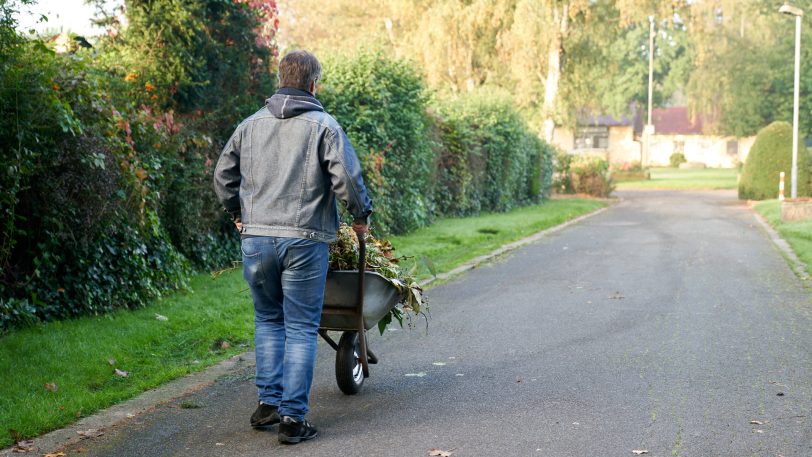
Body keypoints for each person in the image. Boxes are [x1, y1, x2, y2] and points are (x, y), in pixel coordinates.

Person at [213, 50, 373, 445]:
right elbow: (347, 182)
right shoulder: (324, 126)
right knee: (301, 327)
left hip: (256, 239)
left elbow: (222, 177)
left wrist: (237, 211)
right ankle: (292, 419)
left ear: (280, 79)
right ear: (313, 84)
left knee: (268, 320)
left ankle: (269, 402)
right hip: (305, 240)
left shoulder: (249, 126)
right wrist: (360, 216)